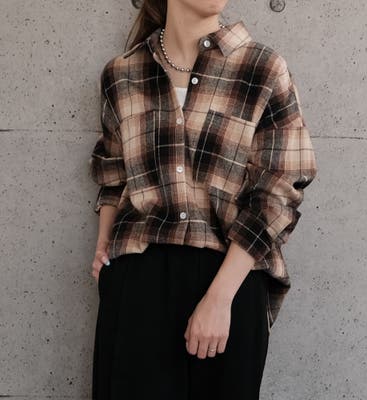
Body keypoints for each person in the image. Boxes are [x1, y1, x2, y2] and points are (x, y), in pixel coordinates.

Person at [88, 0, 318, 399]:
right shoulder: (122, 73)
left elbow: (278, 189)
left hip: (231, 274)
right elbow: (113, 174)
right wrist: (104, 248)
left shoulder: (262, 69)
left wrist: (219, 298)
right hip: (138, 280)